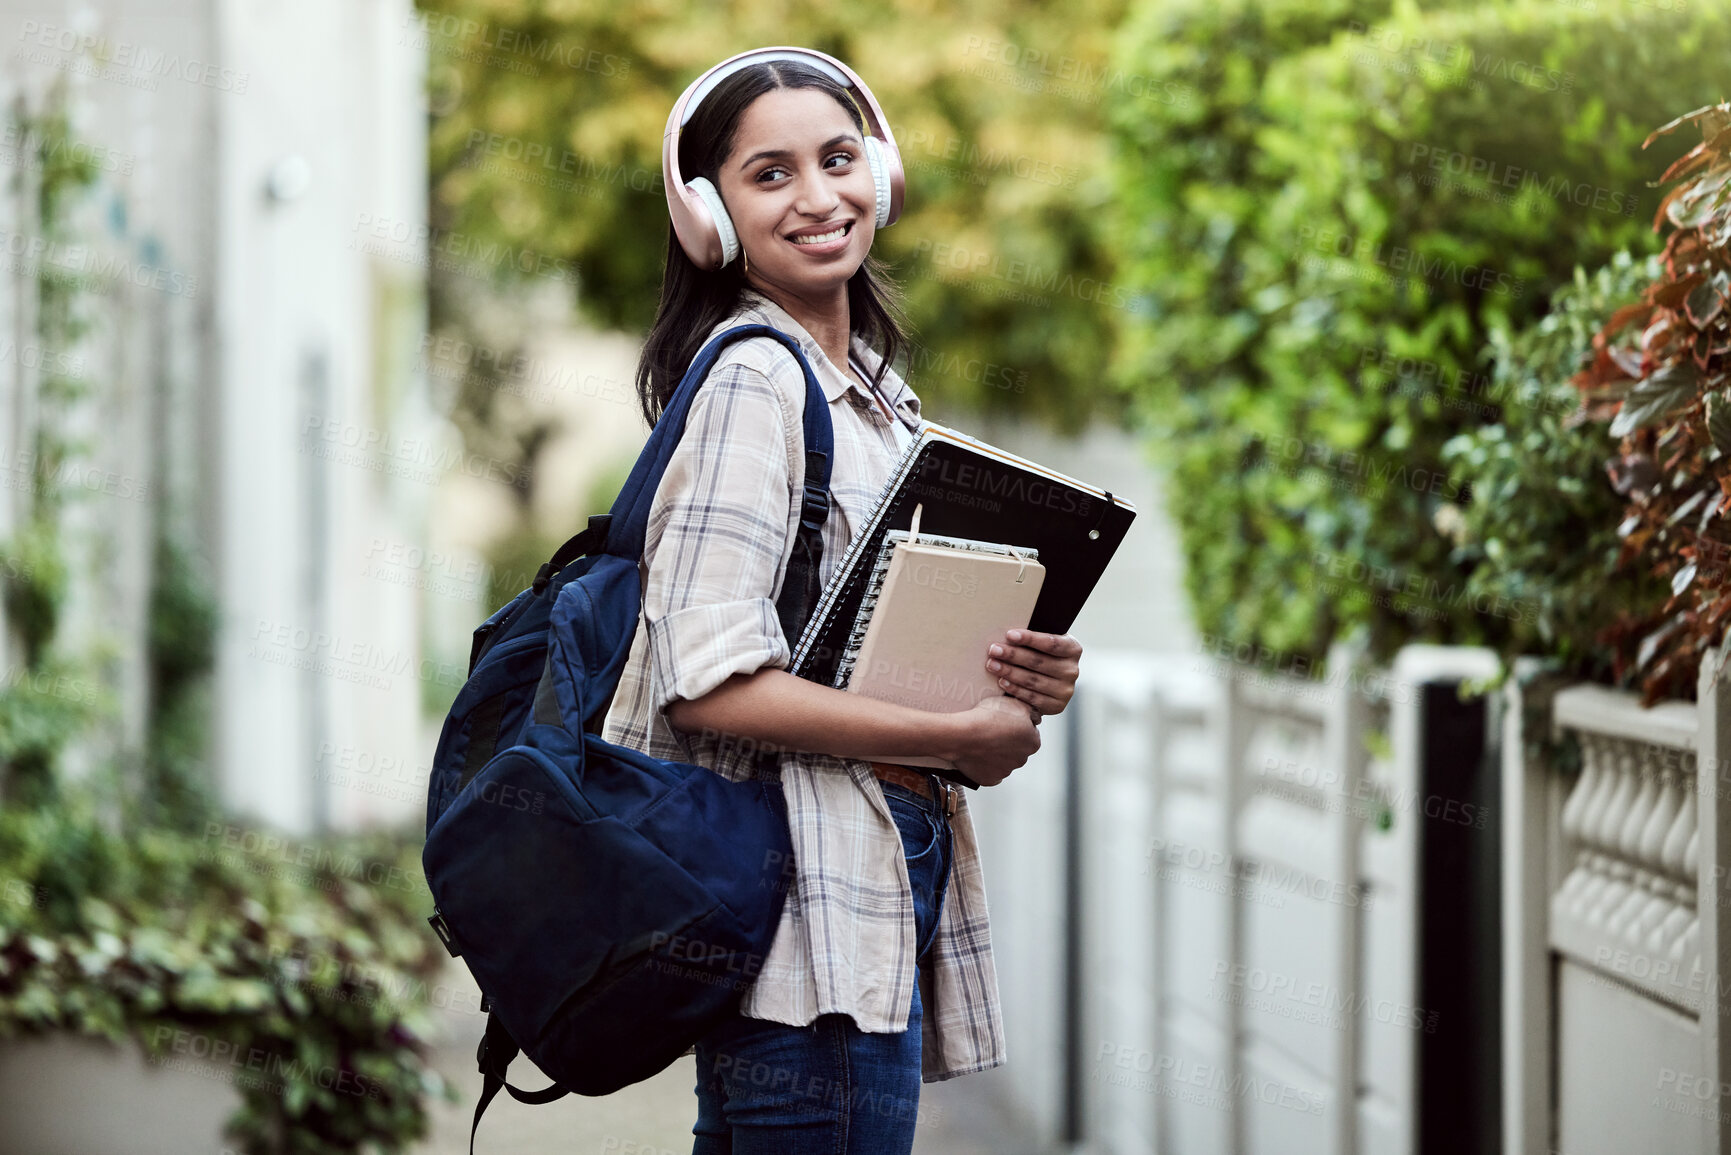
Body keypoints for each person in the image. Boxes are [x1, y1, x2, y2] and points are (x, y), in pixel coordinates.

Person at [601, 46, 1084, 1155]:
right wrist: (951, 733)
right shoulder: (755, 382)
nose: (820, 198)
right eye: (770, 175)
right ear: (706, 216)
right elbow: (709, 684)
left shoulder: (874, 399)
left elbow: (866, 651)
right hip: (800, 932)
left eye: (837, 158)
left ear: (884, 173)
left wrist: (1020, 674)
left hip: (862, 904)